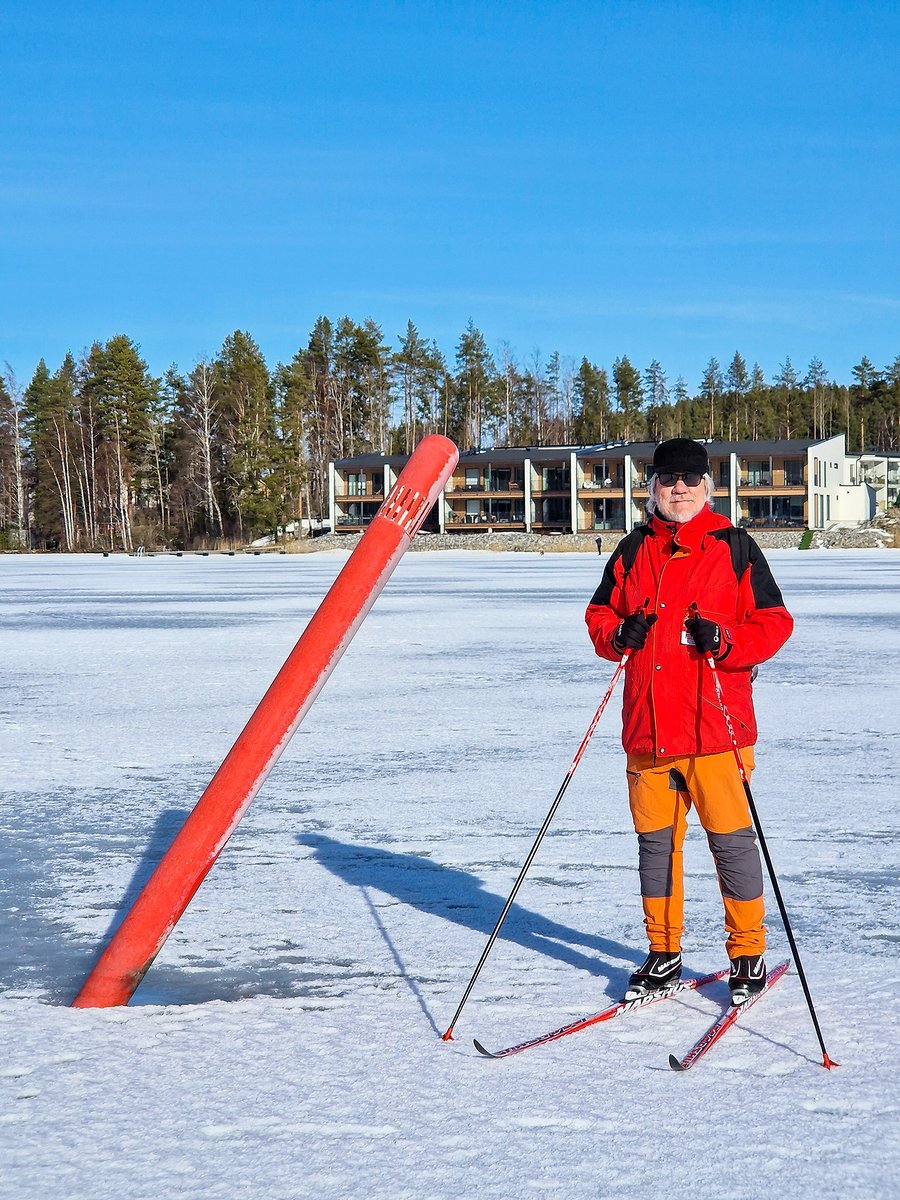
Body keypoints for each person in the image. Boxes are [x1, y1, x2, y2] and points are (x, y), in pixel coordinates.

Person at [585, 438, 794, 1005]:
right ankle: (663, 953)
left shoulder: (735, 547)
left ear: (707, 485)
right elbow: (599, 612)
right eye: (668, 478)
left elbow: (775, 623)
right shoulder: (630, 550)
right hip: (647, 735)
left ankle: (747, 954)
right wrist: (616, 633)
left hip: (714, 732)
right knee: (655, 847)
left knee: (730, 845)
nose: (679, 488)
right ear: (652, 486)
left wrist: (726, 640)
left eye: (690, 478)